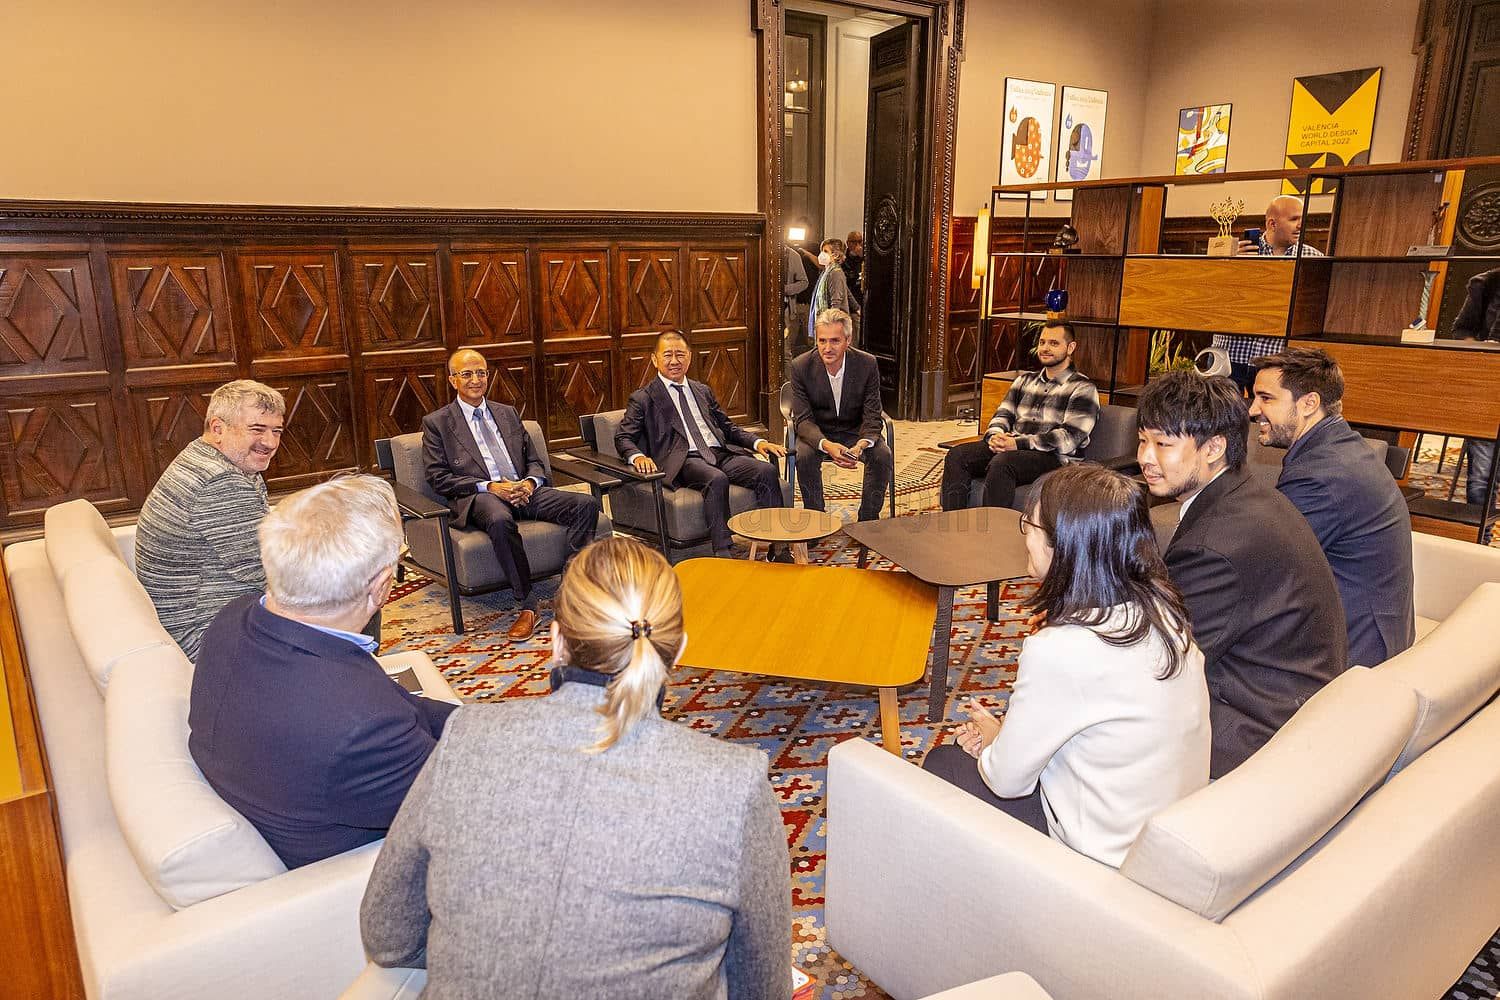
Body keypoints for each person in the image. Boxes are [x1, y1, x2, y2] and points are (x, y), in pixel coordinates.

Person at [360, 536, 790, 998]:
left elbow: (389, 936)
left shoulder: (465, 737)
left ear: (555, 641)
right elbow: (763, 987)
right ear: (679, 651)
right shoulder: (734, 784)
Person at [922, 465, 1210, 869]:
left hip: (1104, 859)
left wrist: (994, 742)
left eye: (1029, 525)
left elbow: (1006, 782)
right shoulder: (1164, 612)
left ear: (1063, 546)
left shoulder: (1061, 649)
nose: (1025, 536)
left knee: (945, 763)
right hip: (1164, 832)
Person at [189, 476, 457, 869]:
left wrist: (479, 722)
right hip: (359, 872)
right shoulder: (361, 724)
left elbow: (401, 705)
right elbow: (463, 798)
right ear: (382, 585)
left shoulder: (233, 620)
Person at [1137, 371, 1347, 777]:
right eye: (1143, 439)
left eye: (1163, 444)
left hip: (1257, 724)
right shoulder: (1247, 496)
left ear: (1214, 447)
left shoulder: (1217, 544)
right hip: (1292, 695)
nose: (1146, 456)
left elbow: (1162, 660)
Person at [1250, 348, 1414, 666]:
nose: (1253, 410)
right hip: (1375, 630)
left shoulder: (1321, 475)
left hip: (1355, 654)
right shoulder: (1340, 447)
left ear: (1309, 403)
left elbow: (1268, 567)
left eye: (1266, 398)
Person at [423, 349, 599, 640]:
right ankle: (528, 604)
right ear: (453, 380)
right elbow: (437, 477)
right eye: (467, 374)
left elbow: (534, 460)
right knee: (499, 519)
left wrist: (529, 483)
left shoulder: (507, 413)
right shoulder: (438, 423)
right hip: (483, 494)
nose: (476, 379)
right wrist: (491, 487)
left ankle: (570, 590)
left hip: (522, 489)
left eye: (481, 373)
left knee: (585, 504)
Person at [135, 379, 285, 661]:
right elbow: (271, 572)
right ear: (218, 429)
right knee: (352, 592)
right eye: (257, 429)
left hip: (209, 613)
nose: (270, 442)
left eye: (276, 431)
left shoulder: (207, 457)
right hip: (205, 635)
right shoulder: (220, 481)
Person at [616, 332, 788, 557]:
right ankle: (723, 550)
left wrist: (758, 442)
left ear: (689, 357)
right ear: (655, 359)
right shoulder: (643, 398)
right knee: (716, 478)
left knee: (766, 470)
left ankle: (778, 546)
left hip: (719, 453)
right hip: (685, 459)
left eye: (680, 354)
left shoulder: (701, 390)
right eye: (668, 355)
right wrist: (637, 456)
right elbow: (623, 437)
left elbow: (727, 427)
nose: (675, 361)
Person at [940, 321, 1099, 511]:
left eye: (1054, 343)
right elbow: (1002, 415)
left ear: (1070, 347)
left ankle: (991, 528)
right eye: (1042, 342)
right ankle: (953, 520)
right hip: (1012, 447)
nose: (1045, 348)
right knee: (957, 455)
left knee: (1003, 463)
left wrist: (1018, 444)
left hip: (1053, 457)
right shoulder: (1024, 380)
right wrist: (995, 436)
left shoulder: (1083, 388)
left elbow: (1068, 438)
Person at [1216, 194, 1326, 394]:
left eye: (1303, 219)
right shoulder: (1237, 253)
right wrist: (1230, 265)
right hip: (1231, 354)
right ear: (1272, 224)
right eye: (1294, 219)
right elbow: (1212, 297)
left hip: (1277, 358)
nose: (1301, 225)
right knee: (1221, 411)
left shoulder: (1313, 258)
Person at [790, 308, 891, 522]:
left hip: (855, 431)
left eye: (835, 341)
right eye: (822, 341)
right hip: (818, 431)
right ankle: (816, 518)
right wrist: (827, 445)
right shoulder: (801, 366)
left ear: (848, 340)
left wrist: (860, 446)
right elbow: (803, 420)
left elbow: (873, 414)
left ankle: (868, 520)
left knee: (882, 455)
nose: (827, 348)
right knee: (803, 455)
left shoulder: (867, 364)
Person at [1453, 266, 1500, 540]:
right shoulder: (1486, 283)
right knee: (1482, 479)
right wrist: (1483, 351)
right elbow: (1461, 330)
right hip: (1489, 391)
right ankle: (1480, 541)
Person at [807, 237, 853, 349]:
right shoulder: (826, 272)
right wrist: (856, 307)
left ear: (836, 255)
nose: (822, 254)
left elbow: (836, 302)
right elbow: (846, 291)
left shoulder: (835, 273)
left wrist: (830, 326)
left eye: (826, 251)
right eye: (822, 251)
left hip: (832, 325)